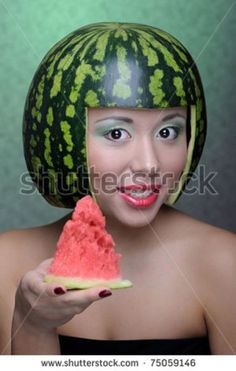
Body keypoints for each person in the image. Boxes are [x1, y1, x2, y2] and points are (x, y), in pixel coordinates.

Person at [0, 22, 235, 356]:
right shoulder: (5, 262)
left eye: (168, 132)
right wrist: (33, 325)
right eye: (116, 133)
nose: (148, 164)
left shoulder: (226, 263)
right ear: (64, 136)